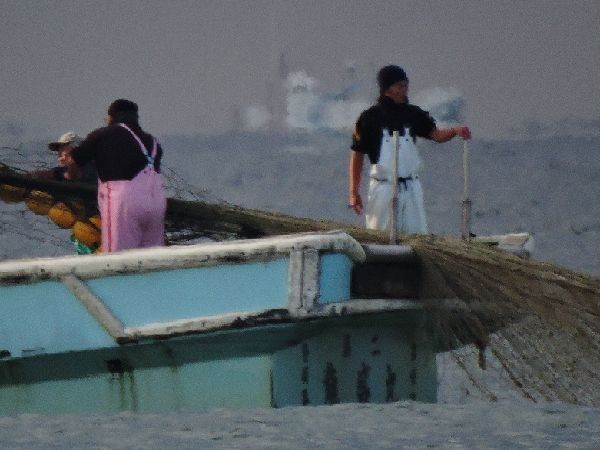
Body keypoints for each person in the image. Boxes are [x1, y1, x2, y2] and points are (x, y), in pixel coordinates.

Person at [349, 65, 471, 234]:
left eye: (406, 84)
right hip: (382, 188)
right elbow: (357, 154)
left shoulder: (414, 114)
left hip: (411, 188)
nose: (405, 89)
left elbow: (436, 135)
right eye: (400, 85)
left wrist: (455, 131)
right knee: (381, 235)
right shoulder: (369, 118)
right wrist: (354, 191)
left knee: (416, 234)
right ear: (388, 89)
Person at [70, 99, 167, 252]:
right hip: (156, 204)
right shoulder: (153, 142)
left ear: (111, 117)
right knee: (152, 259)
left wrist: (71, 176)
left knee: (118, 259)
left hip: (124, 204)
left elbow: (74, 159)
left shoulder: (104, 134)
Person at [31, 132, 96, 182]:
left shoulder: (91, 166)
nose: (59, 154)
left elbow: (74, 175)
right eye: (58, 151)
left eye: (62, 149)